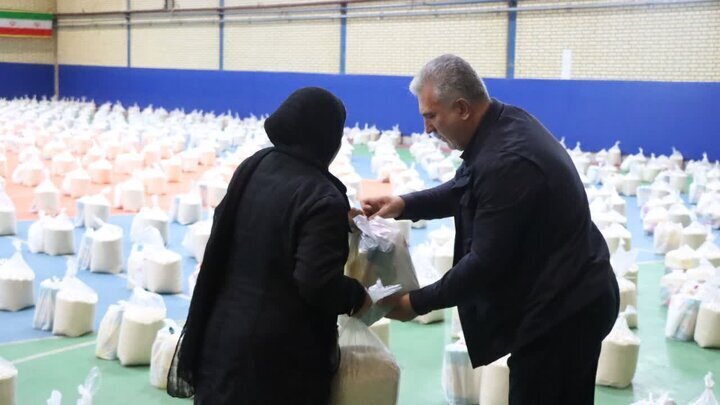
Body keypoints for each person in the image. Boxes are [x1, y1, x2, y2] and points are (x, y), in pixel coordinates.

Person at [364, 54, 619, 404]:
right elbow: (464, 189)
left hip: (566, 308)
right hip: (568, 291)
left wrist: (415, 303)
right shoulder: (501, 124)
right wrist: (404, 205)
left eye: (431, 116)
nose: (427, 129)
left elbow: (485, 263)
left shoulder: (508, 159)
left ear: (462, 108)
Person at [170, 87, 371, 404]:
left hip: (221, 337)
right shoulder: (322, 196)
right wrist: (357, 296)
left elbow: (261, 223)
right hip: (276, 363)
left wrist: (335, 223)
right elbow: (317, 283)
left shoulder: (256, 166)